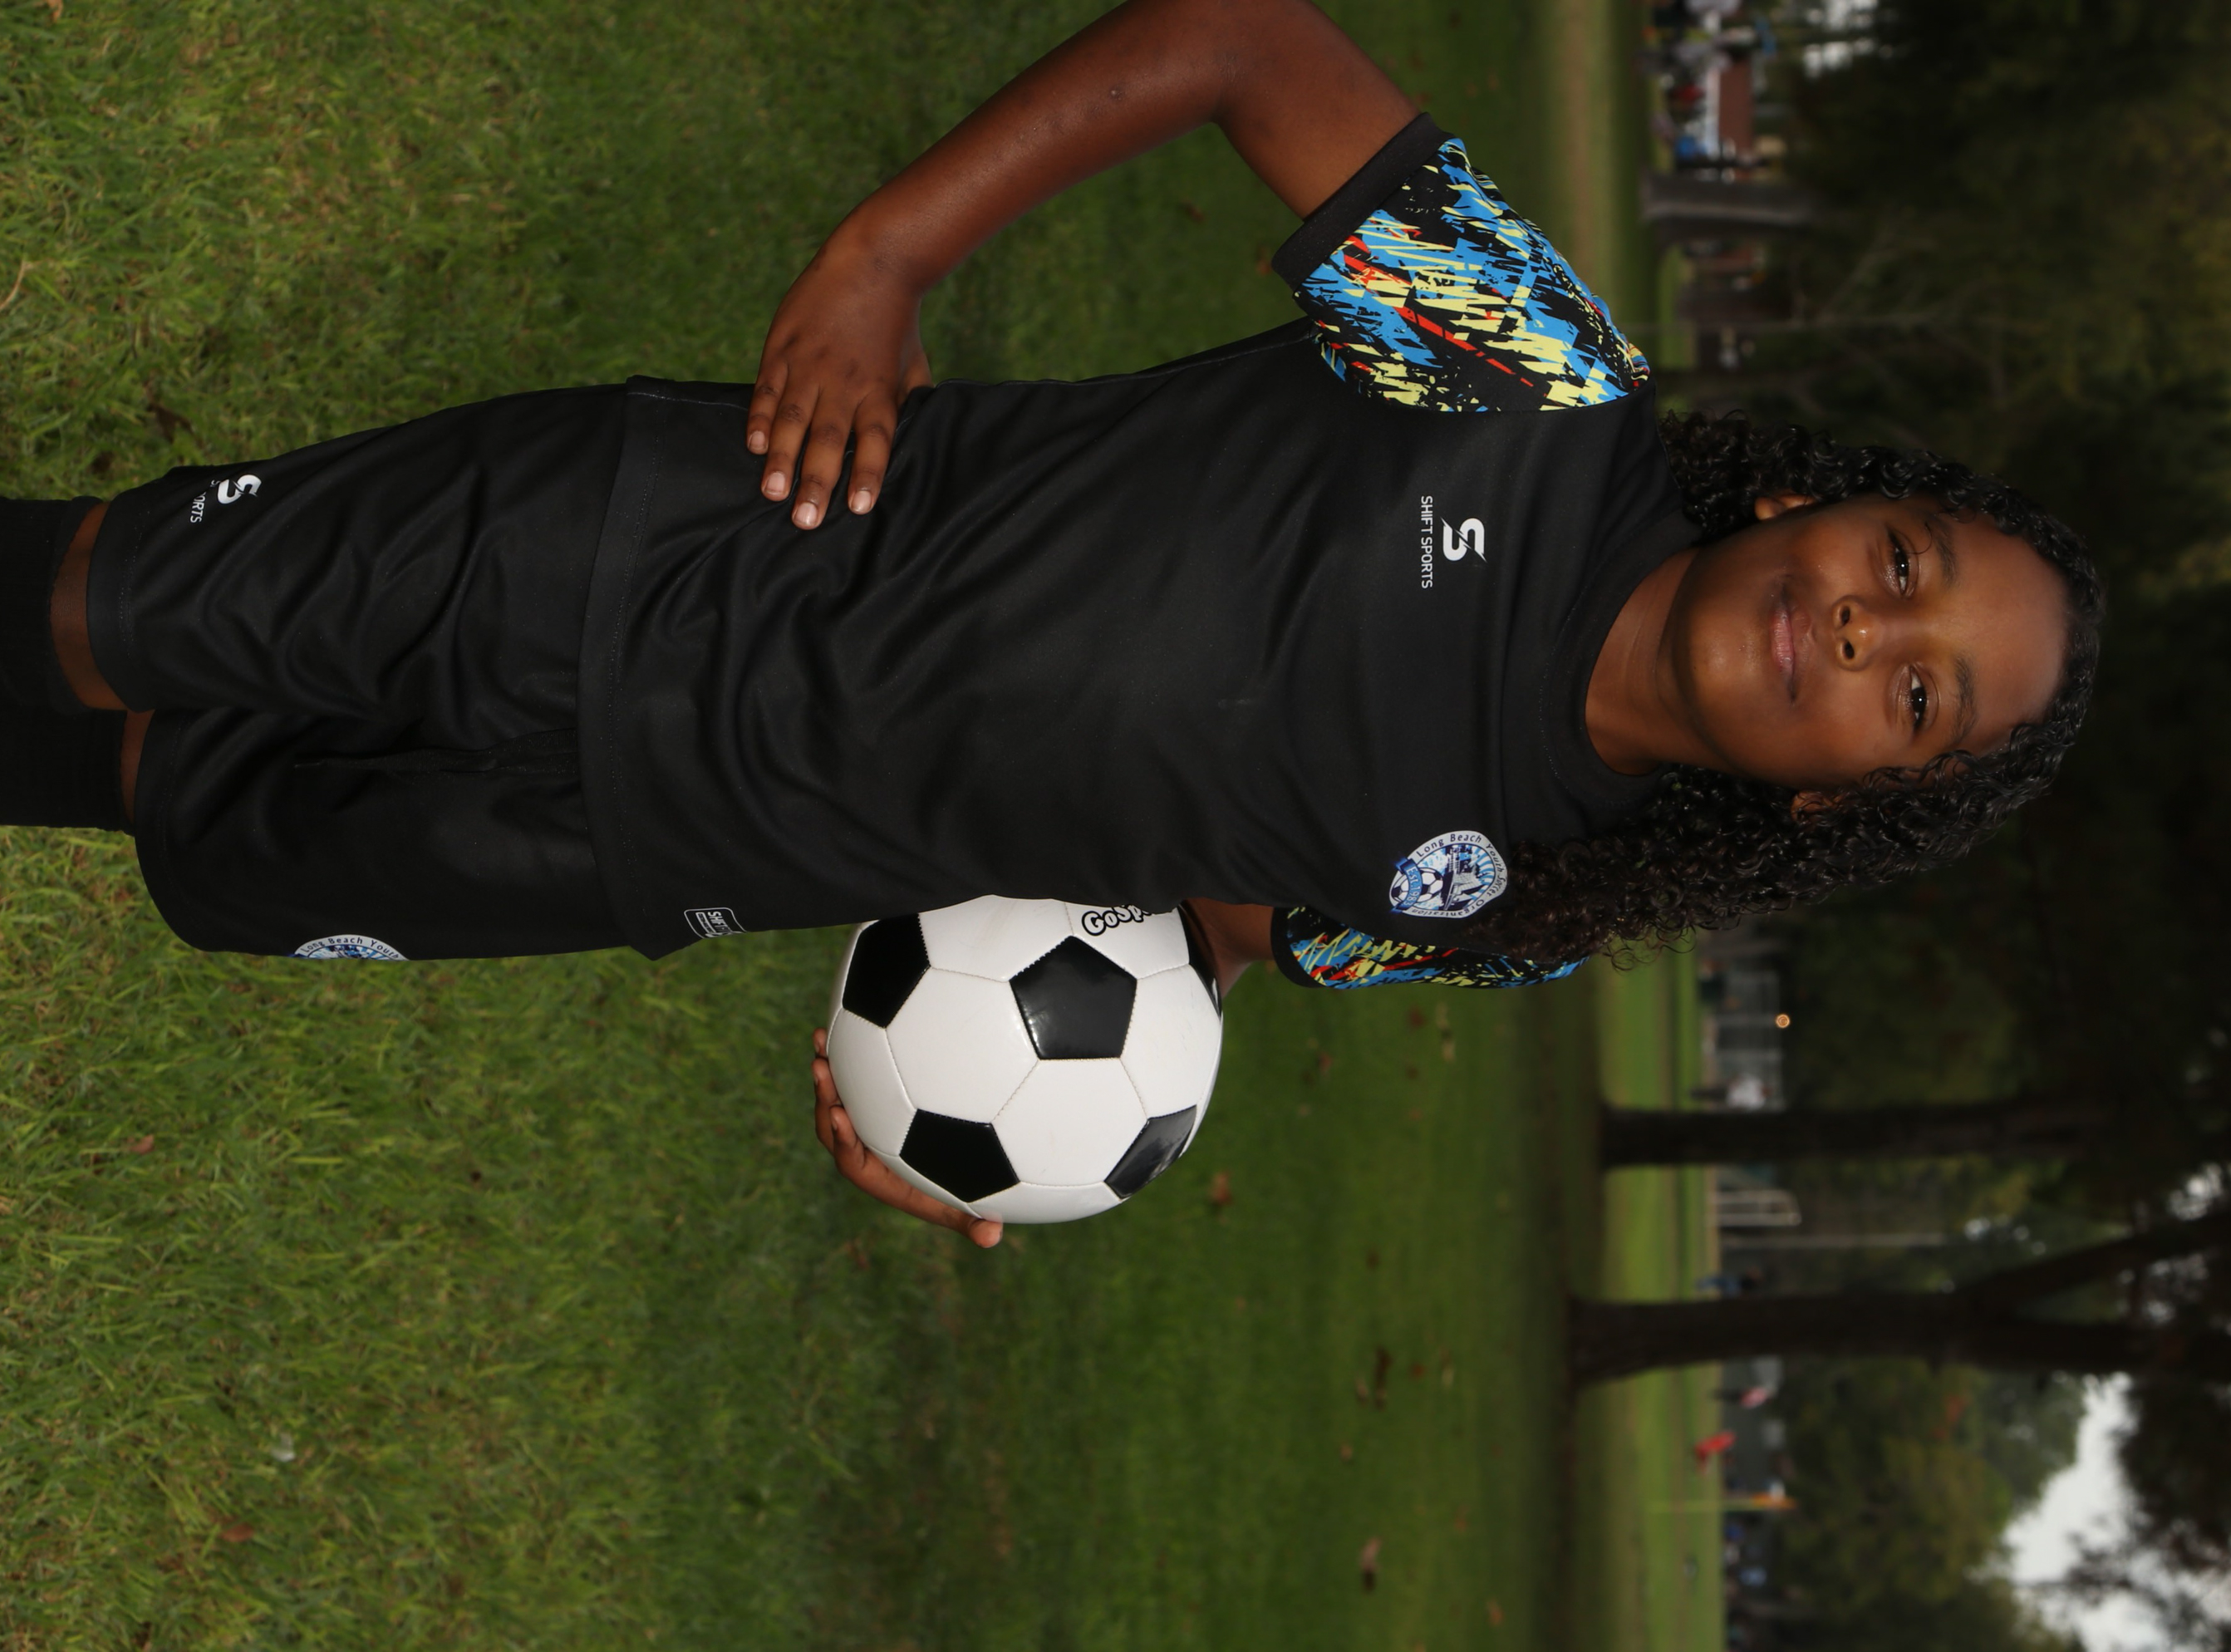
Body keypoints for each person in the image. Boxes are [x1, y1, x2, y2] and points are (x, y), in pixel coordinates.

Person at [0, 0, 2102, 1244]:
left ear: (1844, 806)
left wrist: (1006, 1125)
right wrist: (886, 255)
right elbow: (1241, 39)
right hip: (675, 542)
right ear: (1818, 504)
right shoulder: (1531, 380)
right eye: (1900, 562)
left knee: (178, 803)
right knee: (106, 607)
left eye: (1917, 699)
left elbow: (1209, 933)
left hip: (670, 843)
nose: (1861, 632)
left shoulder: (1526, 892)